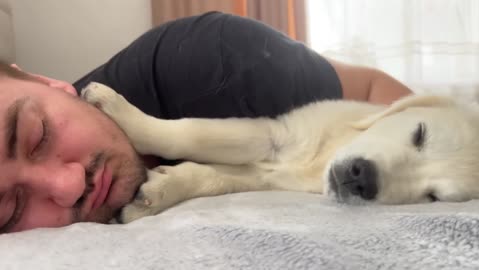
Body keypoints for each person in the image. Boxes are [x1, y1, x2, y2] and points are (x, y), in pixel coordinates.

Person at [0, 12, 412, 234]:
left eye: (37, 136)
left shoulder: (217, 64)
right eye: (10, 208)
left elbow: (379, 91)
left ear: (47, 83)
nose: (69, 185)